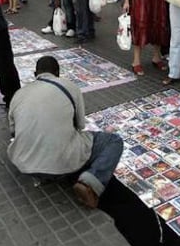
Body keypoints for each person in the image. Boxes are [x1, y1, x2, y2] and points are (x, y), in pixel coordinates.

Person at [7, 56, 123, 208]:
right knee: (113, 141)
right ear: (57, 72)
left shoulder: (19, 94)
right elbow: (80, 125)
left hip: (24, 164)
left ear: (35, 73)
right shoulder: (69, 86)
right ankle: (90, 183)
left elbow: (13, 132)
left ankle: (44, 172)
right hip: (61, 164)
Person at [122, 0, 169, 75]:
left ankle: (157, 57)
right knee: (140, 24)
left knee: (159, 24)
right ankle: (136, 61)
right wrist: (126, 1)